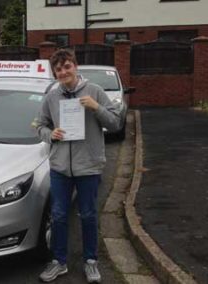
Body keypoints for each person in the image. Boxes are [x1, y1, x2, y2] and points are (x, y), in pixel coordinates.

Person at [36, 49, 121, 283]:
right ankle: (59, 262)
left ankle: (91, 261)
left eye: (67, 67)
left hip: (89, 166)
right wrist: (50, 133)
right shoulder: (52, 97)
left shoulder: (95, 91)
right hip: (60, 168)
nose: (64, 72)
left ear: (75, 66)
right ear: (55, 73)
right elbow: (39, 125)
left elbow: (115, 123)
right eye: (59, 69)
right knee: (59, 215)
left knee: (88, 215)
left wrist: (96, 107)